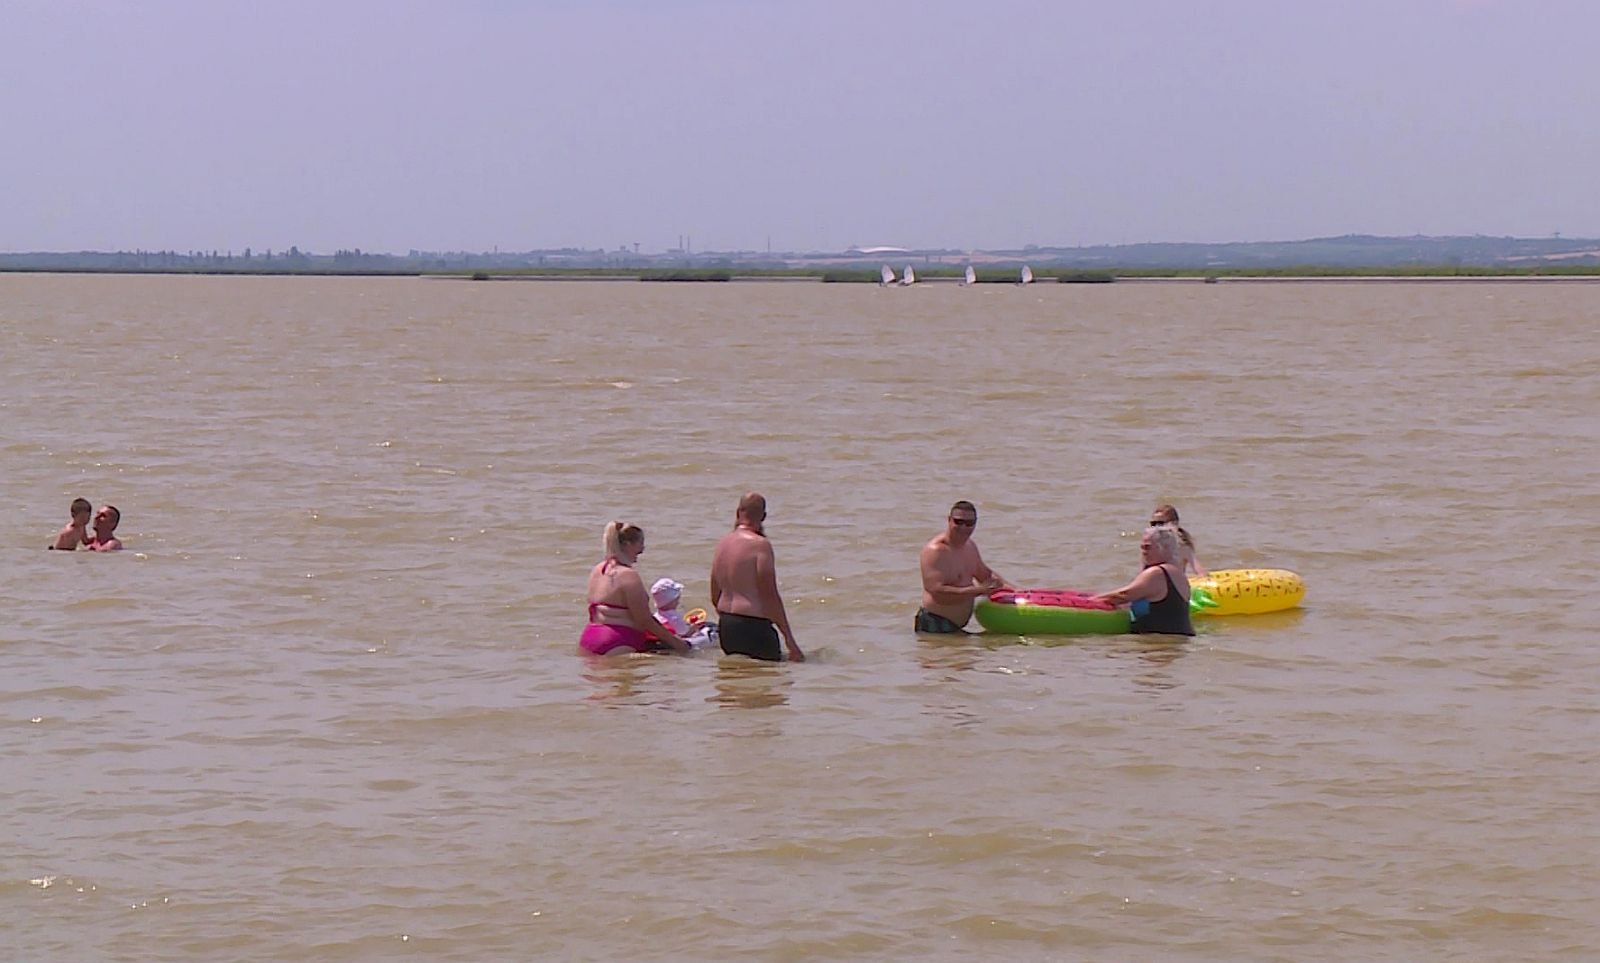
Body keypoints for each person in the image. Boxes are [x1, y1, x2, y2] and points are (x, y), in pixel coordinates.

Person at [709, 492, 803, 662]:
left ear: (738, 513)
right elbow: (769, 595)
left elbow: (715, 595)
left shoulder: (723, 544)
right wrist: (789, 640)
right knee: (766, 684)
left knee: (733, 683)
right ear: (764, 517)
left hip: (727, 627)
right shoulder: (760, 545)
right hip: (754, 628)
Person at [580, 521, 690, 656]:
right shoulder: (628, 575)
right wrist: (677, 643)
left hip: (590, 637)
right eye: (640, 543)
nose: (642, 549)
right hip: (618, 641)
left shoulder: (598, 570)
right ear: (627, 544)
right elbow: (644, 620)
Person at [916, 500, 1010, 633]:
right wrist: (978, 591)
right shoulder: (936, 550)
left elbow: (985, 575)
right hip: (935, 626)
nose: (964, 528)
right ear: (949, 520)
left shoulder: (969, 546)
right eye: (958, 522)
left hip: (957, 629)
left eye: (969, 523)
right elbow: (937, 592)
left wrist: (1016, 591)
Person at [1096, 526, 1194, 636]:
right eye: (1142, 547)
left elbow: (1123, 595)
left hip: (1159, 645)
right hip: (1177, 643)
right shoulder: (1178, 574)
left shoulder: (1157, 573)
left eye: (1147, 547)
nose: (1143, 552)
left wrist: (1089, 601)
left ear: (1165, 548)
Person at [650, 577, 717, 649]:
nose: (678, 602)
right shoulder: (675, 617)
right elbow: (685, 633)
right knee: (710, 628)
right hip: (681, 640)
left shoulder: (657, 615)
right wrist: (695, 627)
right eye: (676, 600)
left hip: (669, 637)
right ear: (671, 601)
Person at [1149, 503, 1207, 577]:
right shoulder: (1150, 546)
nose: (1157, 528)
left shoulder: (1182, 547)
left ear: (1174, 524)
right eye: (1153, 524)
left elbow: (1201, 572)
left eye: (1161, 524)